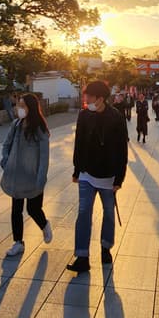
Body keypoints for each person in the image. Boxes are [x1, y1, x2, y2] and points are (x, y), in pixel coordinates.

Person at [67, 81, 128, 273]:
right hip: (86, 173)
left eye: (89, 97)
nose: (86, 100)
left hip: (108, 175)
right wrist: (77, 170)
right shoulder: (84, 115)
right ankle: (82, 256)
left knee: (108, 213)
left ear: (100, 99)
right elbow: (79, 143)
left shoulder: (116, 117)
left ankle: (105, 247)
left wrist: (119, 178)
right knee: (83, 213)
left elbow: (122, 149)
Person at [0, 93, 52, 256]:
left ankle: (44, 225)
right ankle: (18, 242)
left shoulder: (39, 129)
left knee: (33, 208)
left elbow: (44, 156)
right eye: (18, 105)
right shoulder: (16, 125)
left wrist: (41, 178)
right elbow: (6, 144)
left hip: (33, 176)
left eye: (23, 106)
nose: (19, 109)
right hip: (16, 175)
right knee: (16, 209)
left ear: (31, 108)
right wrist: (6, 161)